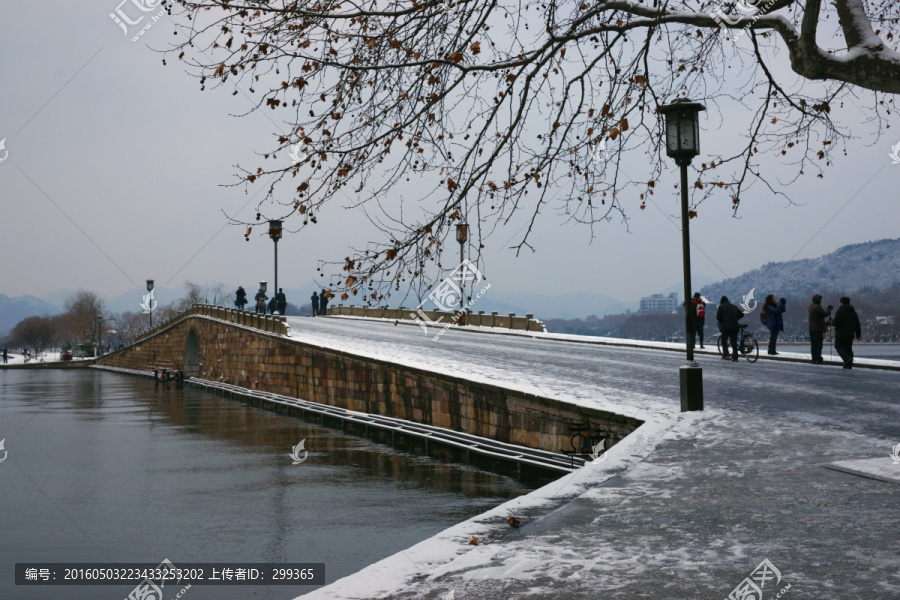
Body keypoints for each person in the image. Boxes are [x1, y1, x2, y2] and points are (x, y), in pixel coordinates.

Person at [832, 296, 861, 369]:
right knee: (848, 348)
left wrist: (832, 322)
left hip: (841, 333)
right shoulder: (853, 312)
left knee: (838, 347)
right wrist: (858, 334)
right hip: (850, 334)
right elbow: (857, 324)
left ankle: (846, 359)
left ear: (841, 303)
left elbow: (836, 323)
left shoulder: (840, 310)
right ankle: (849, 364)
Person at [716, 295, 744, 362]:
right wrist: (735, 318)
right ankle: (735, 358)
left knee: (723, 340)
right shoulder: (734, 307)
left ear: (721, 302)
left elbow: (718, 317)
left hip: (726, 327)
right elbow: (742, 314)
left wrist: (722, 321)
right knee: (734, 342)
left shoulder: (721, 307)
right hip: (735, 326)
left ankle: (726, 354)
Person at [808, 294, 833, 364]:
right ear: (818, 300)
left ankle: (814, 358)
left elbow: (817, 318)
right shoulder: (817, 307)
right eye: (821, 299)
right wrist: (829, 309)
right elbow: (825, 314)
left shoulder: (811, 306)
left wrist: (826, 323)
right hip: (817, 329)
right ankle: (818, 359)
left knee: (814, 345)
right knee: (818, 345)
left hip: (812, 328)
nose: (821, 301)